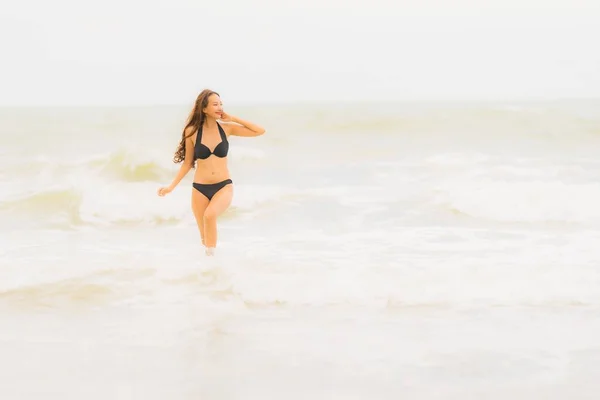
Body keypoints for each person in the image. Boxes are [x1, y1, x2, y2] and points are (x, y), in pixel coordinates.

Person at [157, 89, 265, 256]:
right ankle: (208, 274)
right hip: (200, 189)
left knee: (210, 215)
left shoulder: (227, 129)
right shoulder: (191, 131)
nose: (220, 107)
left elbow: (259, 131)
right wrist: (171, 187)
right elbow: (187, 164)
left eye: (221, 104)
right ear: (204, 108)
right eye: (215, 104)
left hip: (223, 186)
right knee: (204, 239)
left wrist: (233, 118)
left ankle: (214, 265)